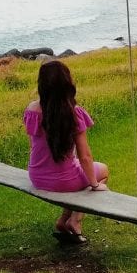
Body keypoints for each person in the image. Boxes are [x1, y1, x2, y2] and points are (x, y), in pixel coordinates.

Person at [24, 59, 109, 243]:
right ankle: (75, 221)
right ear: (67, 83)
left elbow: (34, 144)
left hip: (36, 175)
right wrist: (94, 184)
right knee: (102, 171)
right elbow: (85, 156)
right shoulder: (73, 112)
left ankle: (63, 221)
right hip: (64, 179)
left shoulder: (31, 110)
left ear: (42, 85)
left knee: (76, 171)